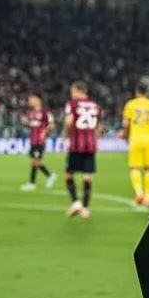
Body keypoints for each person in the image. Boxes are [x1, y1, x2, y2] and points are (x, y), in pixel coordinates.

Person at [120, 80, 149, 207]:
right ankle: (148, 196)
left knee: (134, 168)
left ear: (137, 92)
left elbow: (126, 124)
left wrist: (125, 134)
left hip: (135, 139)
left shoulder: (130, 104)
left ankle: (139, 193)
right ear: (147, 92)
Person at [62, 80, 100, 219]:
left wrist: (65, 135)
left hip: (76, 144)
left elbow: (69, 121)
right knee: (87, 177)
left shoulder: (72, 104)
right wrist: (95, 140)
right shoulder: (95, 106)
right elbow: (98, 127)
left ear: (79, 91)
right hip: (90, 145)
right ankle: (85, 208)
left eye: (72, 92)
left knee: (68, 175)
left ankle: (76, 203)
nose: (71, 95)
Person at [20, 94, 56, 190]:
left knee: (35, 161)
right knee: (35, 162)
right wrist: (26, 122)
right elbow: (32, 125)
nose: (30, 101)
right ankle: (50, 175)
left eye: (31, 99)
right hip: (33, 140)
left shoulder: (45, 112)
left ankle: (32, 183)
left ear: (38, 100)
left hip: (40, 141)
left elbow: (52, 125)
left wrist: (44, 132)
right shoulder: (31, 113)